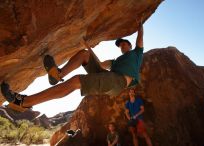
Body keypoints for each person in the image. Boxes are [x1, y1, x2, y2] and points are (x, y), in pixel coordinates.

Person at [0, 19, 144, 112]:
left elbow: (140, 39)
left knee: (76, 81)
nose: (122, 46)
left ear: (130, 46)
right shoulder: (116, 61)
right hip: (109, 75)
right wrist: (89, 47)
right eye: (121, 45)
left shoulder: (137, 53)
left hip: (118, 81)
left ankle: (25, 102)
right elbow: (99, 64)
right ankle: (58, 75)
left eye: (125, 44)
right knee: (84, 54)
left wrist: (140, 23)